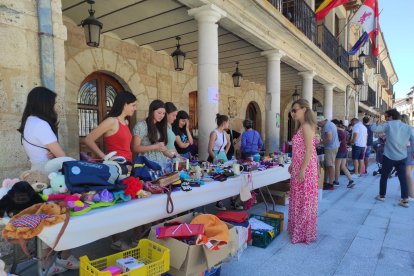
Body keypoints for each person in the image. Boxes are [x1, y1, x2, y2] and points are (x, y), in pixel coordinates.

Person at [18, 87, 79, 275]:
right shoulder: (41, 124)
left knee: (47, 221)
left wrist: (53, 154)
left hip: (37, 173)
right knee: (64, 218)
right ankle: (62, 260)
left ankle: (47, 263)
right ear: (45, 104)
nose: (55, 108)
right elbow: (62, 156)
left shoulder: (29, 122)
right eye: (53, 104)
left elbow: (45, 151)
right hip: (49, 176)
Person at [287, 99, 318, 244]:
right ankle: (297, 230)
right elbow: (298, 150)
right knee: (298, 199)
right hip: (299, 167)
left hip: (305, 169)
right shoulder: (301, 127)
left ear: (304, 109)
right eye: (292, 110)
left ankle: (303, 233)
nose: (293, 113)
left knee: (303, 200)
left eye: (295, 109)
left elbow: (309, 150)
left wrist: (302, 170)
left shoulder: (306, 126)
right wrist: (293, 164)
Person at [371, 109, 414, 208]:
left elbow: (375, 129)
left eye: (386, 117)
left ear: (391, 117)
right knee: (402, 178)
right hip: (402, 156)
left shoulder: (388, 125)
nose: (385, 119)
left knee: (384, 176)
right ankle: (404, 200)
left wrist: (373, 123)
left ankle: (382, 195)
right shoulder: (408, 127)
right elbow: (413, 140)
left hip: (389, 156)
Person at [84, 91, 137, 162]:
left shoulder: (126, 122)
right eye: (133, 105)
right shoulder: (111, 121)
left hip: (127, 164)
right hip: (115, 166)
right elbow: (88, 139)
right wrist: (104, 157)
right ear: (125, 105)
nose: (135, 108)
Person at [132, 100, 169, 169]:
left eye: (163, 113)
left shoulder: (159, 126)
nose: (162, 116)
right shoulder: (141, 125)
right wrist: (155, 146)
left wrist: (174, 156)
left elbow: (162, 148)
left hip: (161, 163)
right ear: (152, 111)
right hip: (147, 164)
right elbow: (135, 148)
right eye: (159, 113)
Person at [208, 114, 231, 211]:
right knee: (219, 179)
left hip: (223, 157)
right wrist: (216, 159)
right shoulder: (214, 133)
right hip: (216, 158)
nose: (229, 124)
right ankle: (218, 201)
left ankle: (222, 199)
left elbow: (228, 143)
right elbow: (209, 149)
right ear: (224, 123)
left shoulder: (224, 134)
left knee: (226, 178)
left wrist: (225, 152)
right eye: (228, 122)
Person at [317, 115, 339, 190]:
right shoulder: (330, 124)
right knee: (328, 165)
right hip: (332, 147)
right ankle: (327, 182)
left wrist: (320, 143)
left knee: (330, 165)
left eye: (318, 123)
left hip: (330, 148)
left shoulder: (327, 126)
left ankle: (330, 184)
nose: (318, 125)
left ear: (321, 121)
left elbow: (329, 138)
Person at [332, 119, 355, 188]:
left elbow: (338, 143)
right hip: (344, 150)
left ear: (334, 125)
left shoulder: (338, 132)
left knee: (337, 167)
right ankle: (351, 180)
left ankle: (336, 181)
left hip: (340, 151)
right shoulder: (342, 130)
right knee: (343, 166)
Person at [401, 114, 414, 201]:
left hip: (409, 154)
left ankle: (412, 195)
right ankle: (409, 193)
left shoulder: (408, 130)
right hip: (408, 153)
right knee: (407, 175)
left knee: (407, 174)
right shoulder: (409, 129)